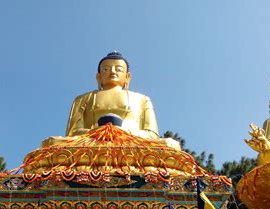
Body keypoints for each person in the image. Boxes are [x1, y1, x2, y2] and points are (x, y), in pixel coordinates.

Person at [42, 52, 180, 150]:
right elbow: (73, 133)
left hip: (131, 145)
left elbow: (151, 135)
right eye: (106, 69)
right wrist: (99, 132)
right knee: (52, 143)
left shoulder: (142, 99)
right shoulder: (83, 99)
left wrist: (121, 132)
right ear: (98, 77)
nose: (112, 72)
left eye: (118, 69)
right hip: (91, 144)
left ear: (127, 77)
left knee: (170, 145)